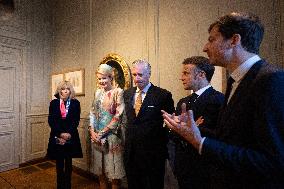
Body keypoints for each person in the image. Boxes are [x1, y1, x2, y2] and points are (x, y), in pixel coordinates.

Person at [162, 12, 284, 189]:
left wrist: (200, 143)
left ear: (234, 40)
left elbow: (273, 162)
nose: (205, 47)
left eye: (212, 40)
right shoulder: (235, 81)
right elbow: (232, 138)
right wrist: (192, 131)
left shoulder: (271, 80)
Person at [171, 56, 224, 189]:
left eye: (186, 73)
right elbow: (172, 134)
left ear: (201, 75)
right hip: (182, 167)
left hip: (204, 169)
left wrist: (182, 127)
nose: (181, 77)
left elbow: (216, 135)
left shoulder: (218, 100)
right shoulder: (182, 102)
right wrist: (189, 126)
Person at [123, 59, 174, 189]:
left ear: (149, 74)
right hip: (131, 152)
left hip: (153, 154)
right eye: (134, 75)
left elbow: (170, 124)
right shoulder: (127, 94)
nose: (137, 78)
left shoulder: (163, 95)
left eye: (140, 74)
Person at [89, 64, 125, 189]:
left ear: (111, 77)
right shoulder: (97, 92)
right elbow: (92, 112)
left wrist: (103, 132)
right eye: (99, 79)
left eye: (104, 78)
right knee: (101, 171)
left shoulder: (118, 92)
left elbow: (118, 115)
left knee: (114, 172)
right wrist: (92, 131)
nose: (101, 81)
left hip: (112, 137)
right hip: (97, 137)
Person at [47, 81, 83, 189]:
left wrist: (68, 134)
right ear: (59, 90)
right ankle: (60, 186)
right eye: (62, 89)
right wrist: (61, 134)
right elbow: (51, 120)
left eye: (67, 89)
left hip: (71, 136)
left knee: (68, 162)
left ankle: (68, 185)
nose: (65, 91)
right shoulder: (53, 103)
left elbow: (76, 120)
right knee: (59, 163)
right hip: (57, 135)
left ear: (70, 91)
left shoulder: (75, 103)